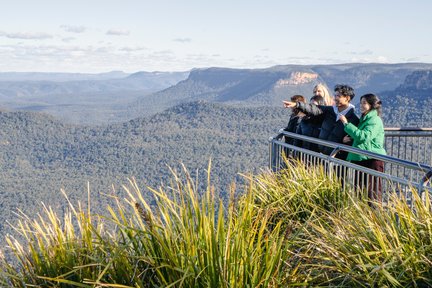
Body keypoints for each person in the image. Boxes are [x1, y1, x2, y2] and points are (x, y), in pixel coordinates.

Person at [283, 84, 360, 160]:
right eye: (335, 95)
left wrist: (342, 142)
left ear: (347, 98)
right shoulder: (329, 111)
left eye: (339, 96)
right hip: (320, 157)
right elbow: (313, 108)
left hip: (336, 160)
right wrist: (297, 105)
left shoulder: (353, 119)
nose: (335, 98)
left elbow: (352, 140)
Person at [339, 93, 386, 203]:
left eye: (364, 103)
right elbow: (360, 136)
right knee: (360, 191)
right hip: (361, 158)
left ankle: (374, 218)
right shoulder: (365, 119)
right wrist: (350, 138)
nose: (361, 105)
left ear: (372, 105)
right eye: (361, 103)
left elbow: (364, 137)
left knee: (372, 194)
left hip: (372, 159)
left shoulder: (374, 120)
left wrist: (346, 124)